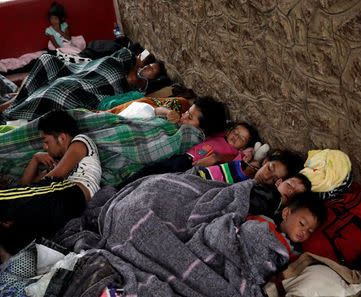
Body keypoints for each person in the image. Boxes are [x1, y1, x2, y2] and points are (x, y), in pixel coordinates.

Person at [0, 110, 101, 259]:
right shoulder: (58, 166)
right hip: (61, 208)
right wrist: (35, 159)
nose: (45, 147)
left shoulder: (81, 141)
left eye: (46, 141)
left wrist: (18, 201)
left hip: (72, 195)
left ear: (61, 138)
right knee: (8, 234)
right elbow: (26, 186)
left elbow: (52, 179)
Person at [0, 48, 170, 123]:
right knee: (47, 61)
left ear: (152, 79)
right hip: (79, 72)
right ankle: (12, 104)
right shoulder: (126, 58)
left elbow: (124, 89)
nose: (148, 67)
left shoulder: (137, 87)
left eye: (152, 70)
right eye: (149, 64)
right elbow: (113, 58)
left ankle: (11, 113)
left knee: (59, 89)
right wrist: (140, 60)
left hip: (88, 90)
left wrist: (136, 66)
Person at [115, 120, 257, 190]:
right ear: (230, 130)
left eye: (242, 139)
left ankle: (130, 189)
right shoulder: (220, 135)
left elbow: (239, 165)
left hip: (191, 169)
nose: (236, 137)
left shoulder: (234, 154)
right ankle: (121, 186)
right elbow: (215, 125)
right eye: (236, 132)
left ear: (243, 146)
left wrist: (248, 153)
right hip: (183, 157)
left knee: (157, 180)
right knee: (150, 168)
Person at [246, 193, 327, 262]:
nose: (304, 232)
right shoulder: (264, 221)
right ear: (286, 214)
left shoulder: (294, 254)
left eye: (310, 231)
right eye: (302, 224)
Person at [196, 150, 303, 185]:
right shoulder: (239, 168)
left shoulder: (260, 197)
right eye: (269, 168)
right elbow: (201, 179)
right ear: (265, 161)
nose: (266, 177)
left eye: (274, 179)